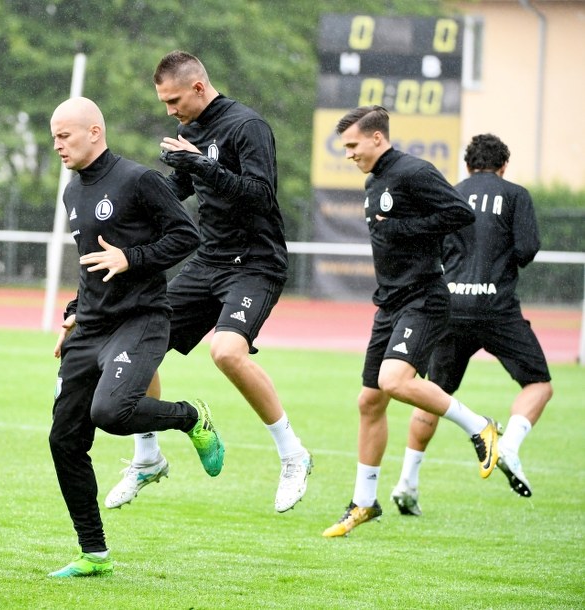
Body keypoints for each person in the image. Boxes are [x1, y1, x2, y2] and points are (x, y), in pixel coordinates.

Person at [104, 50, 312, 514]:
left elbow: (260, 195)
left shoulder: (247, 126)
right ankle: (147, 457)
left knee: (226, 352)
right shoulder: (189, 133)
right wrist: (130, 200)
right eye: (163, 102)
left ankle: (293, 455)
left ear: (199, 87)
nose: (169, 111)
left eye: (174, 99)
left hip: (255, 263)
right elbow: (176, 191)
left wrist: (203, 166)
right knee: (140, 340)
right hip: (209, 261)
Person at [47, 96, 223, 577]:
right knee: (64, 440)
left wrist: (132, 258)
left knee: (111, 411)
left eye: (65, 135)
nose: (57, 144)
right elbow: (90, 267)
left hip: (141, 319)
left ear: (94, 132)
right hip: (93, 325)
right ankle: (94, 554)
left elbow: (186, 236)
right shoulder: (72, 193)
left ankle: (191, 417)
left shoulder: (138, 180)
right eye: (54, 136)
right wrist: (73, 313)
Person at [322, 106, 501, 538]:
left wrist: (403, 227)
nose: (348, 154)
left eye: (352, 145)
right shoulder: (374, 181)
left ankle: (481, 427)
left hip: (424, 298)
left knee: (394, 382)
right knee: (369, 402)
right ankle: (364, 502)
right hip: (390, 304)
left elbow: (460, 214)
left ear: (377, 139)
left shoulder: (414, 172)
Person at [390, 134, 553, 515]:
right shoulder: (515, 195)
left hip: (451, 306)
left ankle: (406, 485)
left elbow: (430, 246)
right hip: (497, 308)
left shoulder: (451, 192)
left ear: (467, 166)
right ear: (503, 166)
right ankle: (508, 446)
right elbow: (527, 250)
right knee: (539, 385)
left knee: (433, 395)